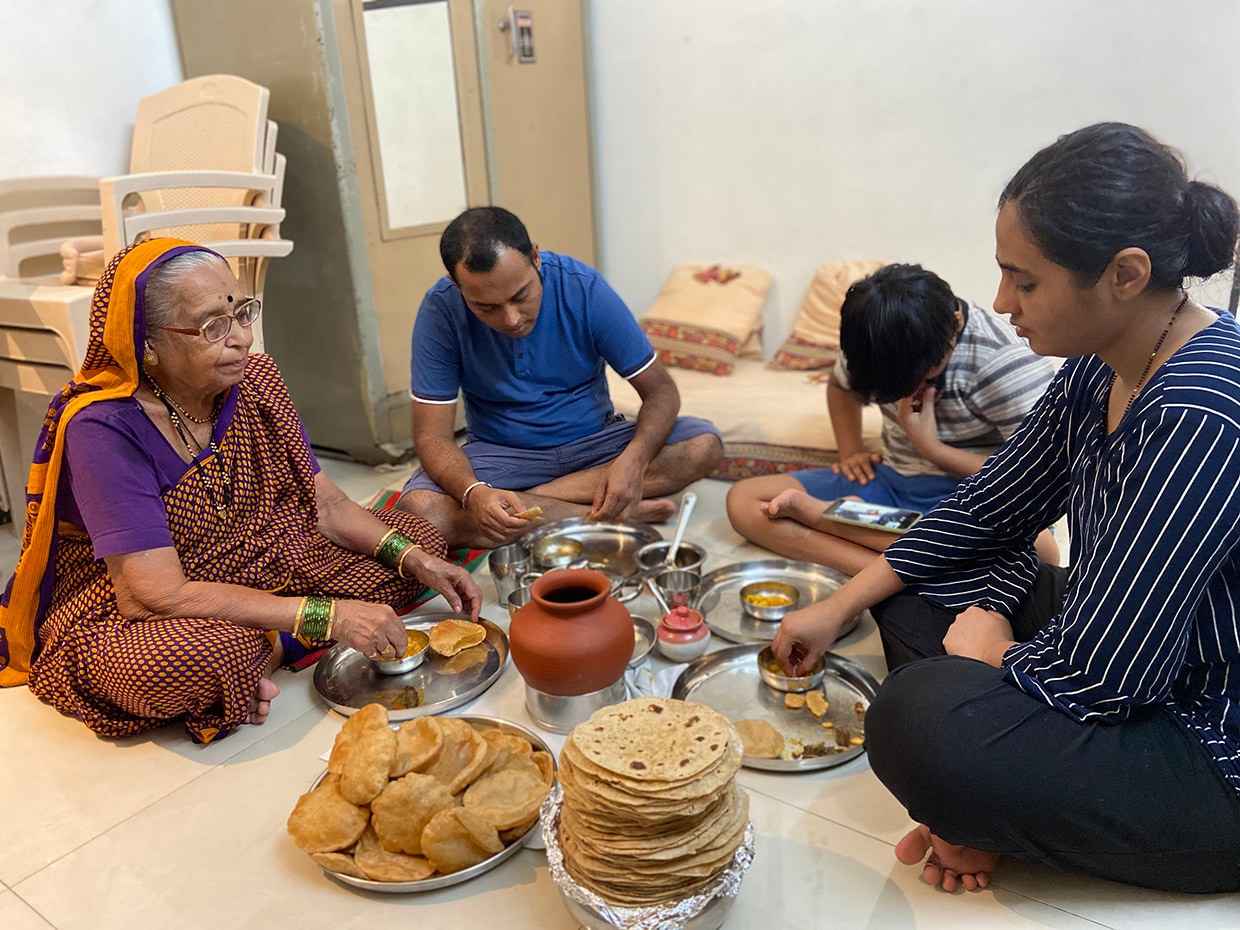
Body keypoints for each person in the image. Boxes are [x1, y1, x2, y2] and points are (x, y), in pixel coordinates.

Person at [772, 123, 1240, 894]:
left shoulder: (1200, 410)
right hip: (1115, 641)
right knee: (915, 594)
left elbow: (1112, 675)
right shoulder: (1097, 370)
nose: (1000, 304)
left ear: (1125, 274)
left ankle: (980, 804)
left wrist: (989, 656)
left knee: (912, 717)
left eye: (1024, 282)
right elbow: (985, 511)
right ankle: (984, 808)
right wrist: (837, 607)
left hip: (1201, 736)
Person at [0, 240, 481, 744]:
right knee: (195, 662)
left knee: (419, 543)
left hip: (266, 552)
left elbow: (327, 505)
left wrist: (415, 560)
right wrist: (328, 614)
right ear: (148, 343)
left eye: (243, 312)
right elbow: (155, 595)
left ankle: (267, 645)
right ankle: (270, 641)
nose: (243, 338)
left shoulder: (256, 381)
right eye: (213, 326)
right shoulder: (104, 427)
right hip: (153, 598)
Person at [396, 207, 723, 547]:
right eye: (486, 308)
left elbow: (661, 391)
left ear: (536, 257)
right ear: (456, 285)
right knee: (419, 511)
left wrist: (634, 462)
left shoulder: (583, 288)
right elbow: (432, 436)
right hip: (501, 456)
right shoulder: (441, 309)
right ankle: (595, 515)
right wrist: (473, 491)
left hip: (596, 445)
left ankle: (531, 502)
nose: (511, 319)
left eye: (520, 295)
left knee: (703, 446)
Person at [727, 263, 1056, 575]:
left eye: (924, 374)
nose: (913, 388)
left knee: (1042, 549)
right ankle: (890, 570)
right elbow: (841, 386)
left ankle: (846, 525)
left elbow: (1034, 477)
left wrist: (931, 449)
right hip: (890, 481)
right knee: (744, 501)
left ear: (956, 325)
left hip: (971, 493)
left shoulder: (1006, 363)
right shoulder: (874, 336)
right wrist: (850, 452)